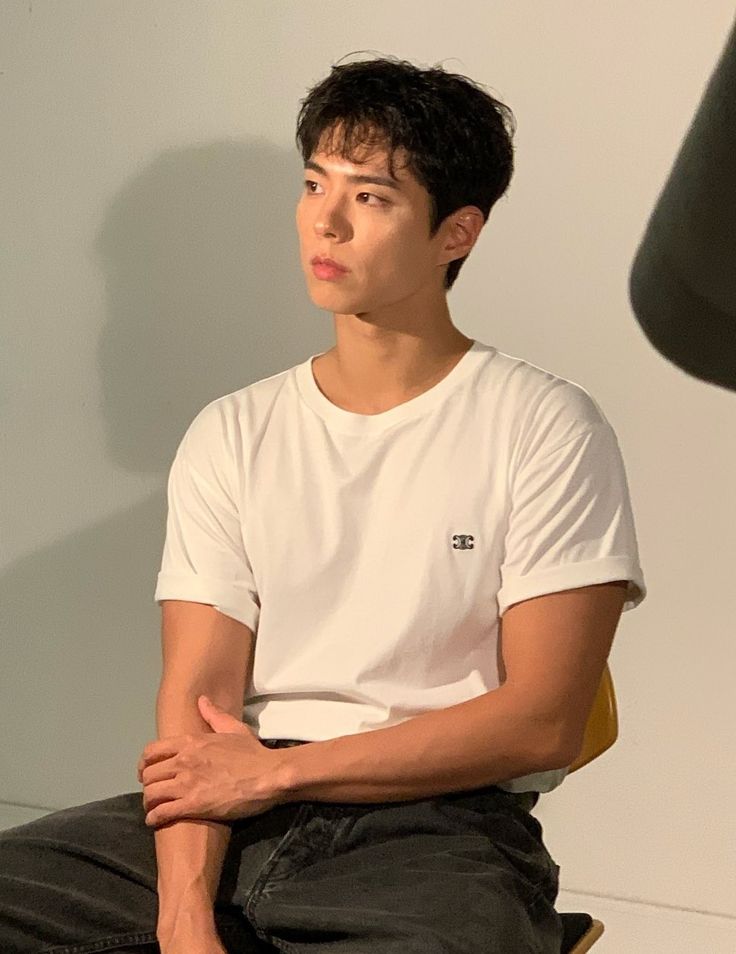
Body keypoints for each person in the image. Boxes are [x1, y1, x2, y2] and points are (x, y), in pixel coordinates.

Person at [0, 55, 646, 953]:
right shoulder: (233, 431)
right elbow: (198, 709)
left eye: (372, 198)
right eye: (314, 184)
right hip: (225, 812)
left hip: (441, 832)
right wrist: (184, 920)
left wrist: (278, 776)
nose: (326, 222)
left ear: (456, 232)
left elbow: (542, 717)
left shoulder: (545, 426)